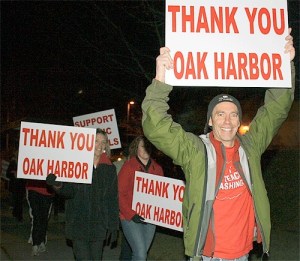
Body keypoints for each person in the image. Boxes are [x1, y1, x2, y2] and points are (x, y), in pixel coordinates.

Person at [141, 29, 295, 261]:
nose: (227, 120)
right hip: (210, 255)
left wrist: (283, 65)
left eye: (233, 115)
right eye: (220, 114)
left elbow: (276, 110)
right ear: (210, 121)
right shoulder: (195, 150)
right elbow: (156, 126)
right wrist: (161, 78)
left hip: (244, 252)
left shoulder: (250, 146)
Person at [46, 129, 119, 260]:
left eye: (103, 142)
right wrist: (57, 184)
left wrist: (114, 225)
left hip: (99, 227)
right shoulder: (77, 164)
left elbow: (112, 198)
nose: (100, 145)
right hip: (78, 224)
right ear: (88, 143)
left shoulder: (109, 168)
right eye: (96, 141)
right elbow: (69, 191)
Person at [118, 136, 164, 261]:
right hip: (130, 218)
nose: (145, 149)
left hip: (150, 218)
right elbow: (119, 193)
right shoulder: (128, 167)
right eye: (142, 146)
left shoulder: (158, 169)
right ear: (136, 148)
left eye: (147, 146)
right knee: (140, 253)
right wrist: (131, 214)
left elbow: (162, 195)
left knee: (141, 253)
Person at [26, 179, 55, 256]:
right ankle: (35, 243)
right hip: (33, 189)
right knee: (36, 216)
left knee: (44, 217)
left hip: (47, 191)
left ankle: (41, 240)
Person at [6, 150, 26, 222]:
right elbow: (7, 174)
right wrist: (13, 173)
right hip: (14, 185)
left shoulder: (23, 162)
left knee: (19, 200)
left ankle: (18, 215)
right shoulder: (13, 163)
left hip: (21, 184)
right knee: (17, 200)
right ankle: (17, 214)